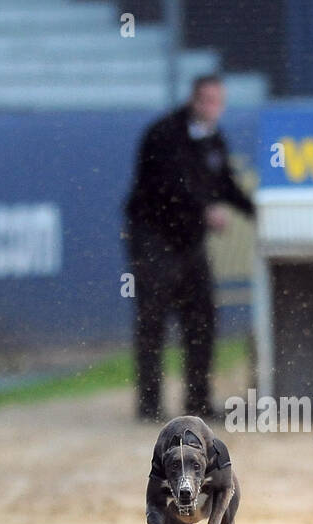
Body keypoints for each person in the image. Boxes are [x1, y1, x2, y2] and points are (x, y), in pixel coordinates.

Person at [124, 74, 255, 422]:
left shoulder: (214, 140)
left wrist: (257, 211)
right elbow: (166, 186)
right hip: (154, 237)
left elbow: (225, 184)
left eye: (219, 102)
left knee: (201, 319)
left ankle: (197, 401)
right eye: (207, 101)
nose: (213, 108)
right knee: (152, 320)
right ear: (194, 101)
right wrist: (203, 210)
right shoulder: (164, 135)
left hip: (190, 241)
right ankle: (149, 404)